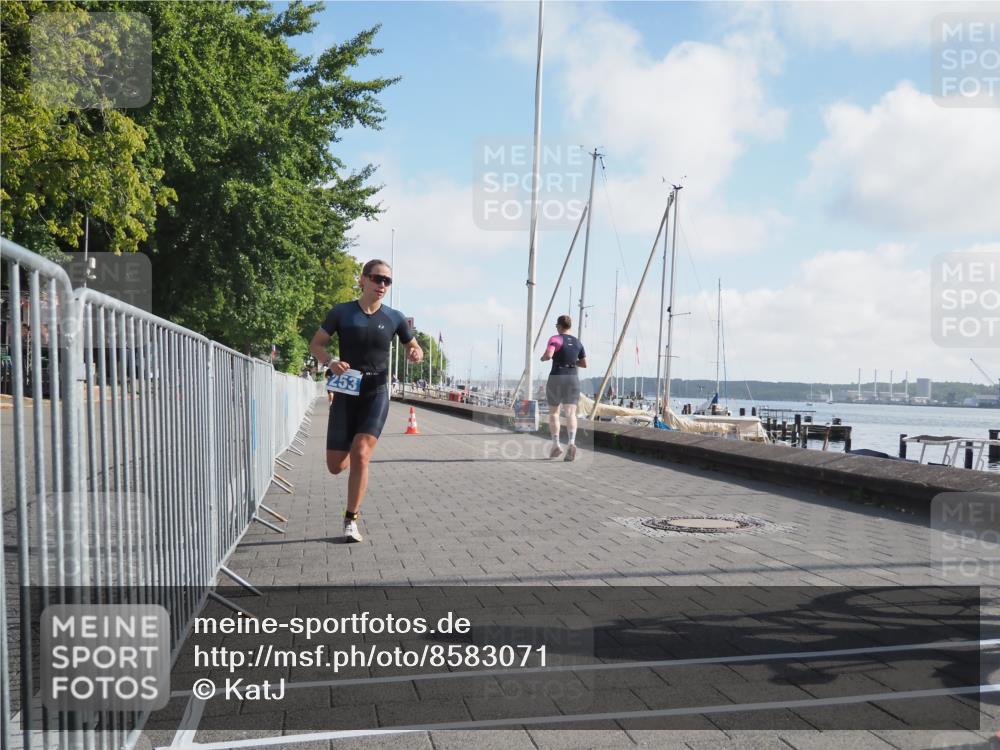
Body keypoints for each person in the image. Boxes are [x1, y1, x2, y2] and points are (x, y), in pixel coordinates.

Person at [310, 259, 423, 542]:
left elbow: (413, 345)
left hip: (376, 392)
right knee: (335, 466)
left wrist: (415, 352)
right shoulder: (342, 312)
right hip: (346, 391)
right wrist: (330, 362)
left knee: (361, 453)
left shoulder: (394, 317)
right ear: (363, 279)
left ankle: (351, 519)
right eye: (377, 278)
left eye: (387, 281)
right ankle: (351, 449)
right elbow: (316, 344)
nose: (382, 284)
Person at [540, 314, 587, 461]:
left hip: (557, 376)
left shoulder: (555, 339)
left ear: (559, 326)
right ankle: (571, 442)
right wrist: (572, 361)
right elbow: (584, 364)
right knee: (571, 414)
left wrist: (543, 358)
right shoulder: (578, 343)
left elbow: (549, 355)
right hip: (572, 378)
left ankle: (556, 445)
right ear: (570, 326)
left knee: (554, 413)